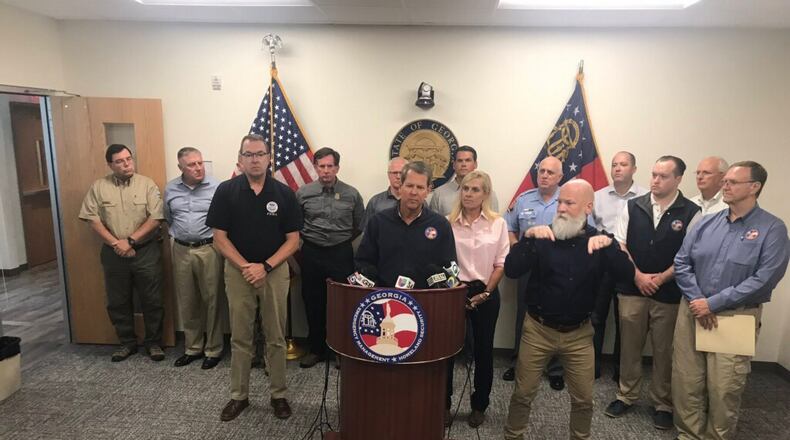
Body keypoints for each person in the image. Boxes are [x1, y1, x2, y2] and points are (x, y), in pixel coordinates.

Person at [503, 180, 634, 440]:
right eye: (560, 202)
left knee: (584, 399)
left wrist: (610, 249)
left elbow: (627, 275)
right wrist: (527, 239)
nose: (560, 208)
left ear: (588, 207)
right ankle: (513, 435)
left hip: (580, 335)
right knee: (522, 393)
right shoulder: (542, 236)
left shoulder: (600, 240)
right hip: (538, 331)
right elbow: (512, 269)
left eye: (568, 203)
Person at [673, 161, 788, 440]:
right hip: (692, 310)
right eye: (725, 181)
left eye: (733, 182)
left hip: (735, 317)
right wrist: (699, 299)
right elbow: (681, 262)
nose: (725, 186)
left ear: (755, 187)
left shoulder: (772, 229)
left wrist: (714, 303)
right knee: (686, 381)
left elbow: (765, 278)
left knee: (724, 387)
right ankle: (688, 435)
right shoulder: (707, 222)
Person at [206, 134, 301, 422]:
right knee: (240, 336)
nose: (255, 159)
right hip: (238, 272)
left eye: (260, 154)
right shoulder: (226, 191)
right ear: (240, 159)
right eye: (249, 155)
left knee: (275, 337)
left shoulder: (284, 193)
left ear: (269, 158)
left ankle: (279, 394)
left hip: (274, 272)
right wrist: (247, 266)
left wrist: (266, 267)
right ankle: (239, 396)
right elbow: (219, 238)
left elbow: (293, 240)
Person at [605, 156, 700, 431]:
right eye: (654, 175)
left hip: (668, 293)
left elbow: (688, 254)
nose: (655, 180)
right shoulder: (633, 205)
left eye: (663, 176)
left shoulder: (691, 212)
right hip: (632, 289)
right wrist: (638, 276)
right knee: (630, 346)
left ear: (678, 179)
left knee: (663, 350)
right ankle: (626, 395)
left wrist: (660, 278)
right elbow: (620, 243)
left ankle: (663, 404)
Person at [78, 144, 165, 362]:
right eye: (120, 161)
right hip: (113, 252)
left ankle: (153, 343)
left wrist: (131, 240)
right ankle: (126, 343)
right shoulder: (99, 187)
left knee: (152, 299)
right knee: (118, 300)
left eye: (129, 159)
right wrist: (116, 243)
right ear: (110, 164)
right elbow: (92, 218)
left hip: (145, 250)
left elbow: (156, 217)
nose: (126, 164)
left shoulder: (147, 184)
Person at [445, 171, 509, 428]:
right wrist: (454, 287)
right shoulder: (447, 223)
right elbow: (443, 261)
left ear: (485, 194)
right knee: (448, 351)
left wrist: (486, 293)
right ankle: (444, 404)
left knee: (483, 351)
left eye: (475, 190)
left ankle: (479, 404)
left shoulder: (498, 224)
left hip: (486, 291)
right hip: (454, 292)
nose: (469, 194)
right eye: (465, 189)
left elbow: (501, 263)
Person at [296, 147, 364, 368]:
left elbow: (358, 226)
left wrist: (338, 241)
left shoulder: (351, 194)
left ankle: (340, 350)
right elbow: (297, 224)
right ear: (315, 167)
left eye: (330, 166)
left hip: (340, 252)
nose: (325, 171)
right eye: (321, 166)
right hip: (312, 252)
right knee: (312, 301)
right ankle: (316, 349)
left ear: (337, 167)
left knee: (343, 303)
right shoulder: (303, 193)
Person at [502, 156, 565, 389]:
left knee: (557, 315)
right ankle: (519, 361)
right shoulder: (523, 200)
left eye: (550, 172)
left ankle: (556, 369)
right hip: (529, 268)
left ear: (560, 177)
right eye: (542, 171)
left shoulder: (567, 201)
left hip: (559, 268)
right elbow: (509, 228)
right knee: (525, 314)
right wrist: (519, 252)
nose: (545, 175)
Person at [164, 147, 224, 369]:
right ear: (180, 167)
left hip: (209, 248)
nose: (198, 168)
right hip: (180, 249)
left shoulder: (217, 187)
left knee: (212, 299)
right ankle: (193, 348)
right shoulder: (171, 188)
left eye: (200, 163)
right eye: (192, 165)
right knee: (187, 301)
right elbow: (168, 217)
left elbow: (225, 219)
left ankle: (214, 349)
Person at [591, 151, 648, 380]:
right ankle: (591, 367)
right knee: (595, 317)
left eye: (623, 164)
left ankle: (620, 371)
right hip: (601, 261)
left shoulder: (646, 197)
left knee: (626, 320)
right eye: (614, 164)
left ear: (634, 169)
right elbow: (589, 228)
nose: (617, 168)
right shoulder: (598, 196)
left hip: (629, 261)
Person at [355, 161, 456, 289]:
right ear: (400, 187)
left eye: (420, 187)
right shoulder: (378, 222)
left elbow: (450, 269)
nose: (414, 192)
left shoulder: (441, 225)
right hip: (385, 298)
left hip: (427, 301)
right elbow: (363, 262)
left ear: (428, 191)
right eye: (409, 186)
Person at [429, 145, 499, 216]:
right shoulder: (439, 193)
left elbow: (494, 221)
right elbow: (433, 224)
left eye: (468, 160)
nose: (463, 164)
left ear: (475, 164)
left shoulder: (487, 194)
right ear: (454, 165)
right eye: (460, 161)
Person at [362, 156, 407, 231]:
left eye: (401, 173)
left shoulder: (416, 201)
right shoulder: (375, 202)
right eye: (395, 173)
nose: (398, 176)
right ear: (388, 175)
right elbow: (366, 232)